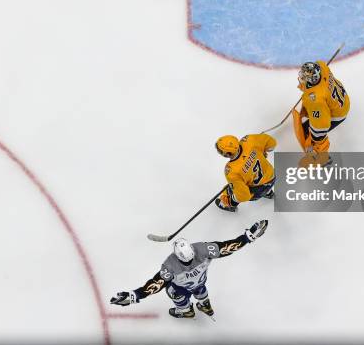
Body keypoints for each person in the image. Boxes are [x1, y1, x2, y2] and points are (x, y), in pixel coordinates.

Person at [110, 220, 268, 318]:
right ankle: (205, 305)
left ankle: (186, 311)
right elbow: (228, 247)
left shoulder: (170, 264)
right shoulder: (202, 249)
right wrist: (248, 237)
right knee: (199, 287)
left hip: (183, 287)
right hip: (199, 282)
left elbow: (154, 285)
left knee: (172, 290)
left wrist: (134, 296)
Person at [292, 60, 349, 165]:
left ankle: (323, 159)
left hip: (338, 113)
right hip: (343, 100)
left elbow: (320, 127)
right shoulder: (322, 67)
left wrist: (314, 139)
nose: (302, 78)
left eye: (305, 78)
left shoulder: (315, 99)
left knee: (309, 132)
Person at [214, 134, 277, 212]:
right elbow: (272, 143)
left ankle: (230, 204)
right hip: (272, 176)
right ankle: (268, 193)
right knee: (255, 179)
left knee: (228, 189)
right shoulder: (249, 140)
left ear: (228, 154)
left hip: (258, 190)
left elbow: (244, 196)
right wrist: (263, 150)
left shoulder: (231, 171)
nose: (218, 152)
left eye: (220, 151)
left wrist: (232, 198)